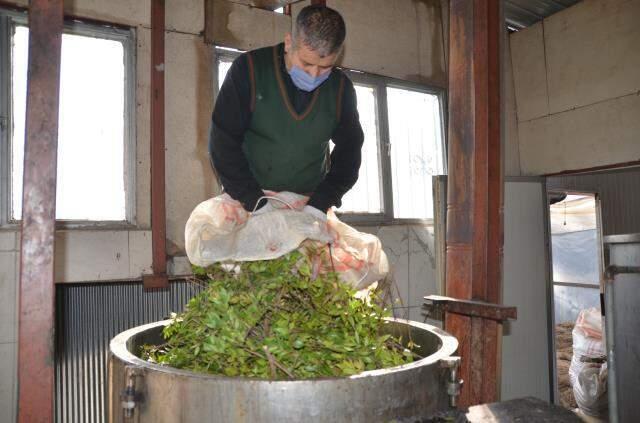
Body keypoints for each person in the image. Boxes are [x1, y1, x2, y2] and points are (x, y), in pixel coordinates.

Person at [208, 5, 364, 220]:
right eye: (306, 63)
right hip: (247, 201)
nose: (314, 74)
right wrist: (255, 203)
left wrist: (320, 203)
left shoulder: (341, 89)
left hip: (307, 205)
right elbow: (223, 140)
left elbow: (350, 150)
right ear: (290, 42)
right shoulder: (249, 69)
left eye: (325, 68)